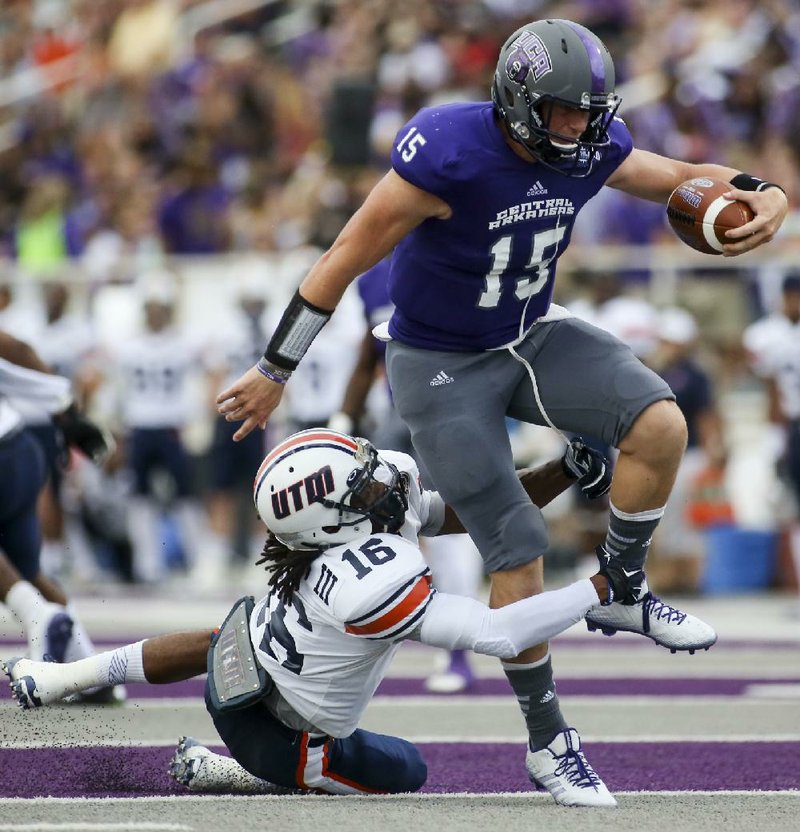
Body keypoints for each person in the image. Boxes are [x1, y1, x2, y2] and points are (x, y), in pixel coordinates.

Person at [215, 19, 788, 804]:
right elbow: (341, 260)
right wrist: (275, 367)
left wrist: (767, 193)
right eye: (562, 113)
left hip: (527, 336)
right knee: (518, 545)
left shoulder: (592, 145)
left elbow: (687, 173)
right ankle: (550, 743)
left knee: (661, 423)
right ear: (519, 103)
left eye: (589, 113)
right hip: (440, 362)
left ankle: (623, 590)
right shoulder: (446, 154)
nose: (579, 129)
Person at [5, 428, 627, 804]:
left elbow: (474, 513)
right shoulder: (362, 579)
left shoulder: (332, 532)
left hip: (241, 674)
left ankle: (64, 677)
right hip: (287, 738)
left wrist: (561, 472)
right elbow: (497, 634)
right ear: (334, 518)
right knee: (410, 770)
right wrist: (601, 586)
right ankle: (240, 773)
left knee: (224, 634)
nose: (379, 478)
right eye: (360, 484)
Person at [0, 329, 122, 703]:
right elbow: (19, 349)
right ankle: (91, 672)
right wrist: (68, 416)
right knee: (25, 569)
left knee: (23, 586)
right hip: (20, 445)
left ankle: (37, 616)